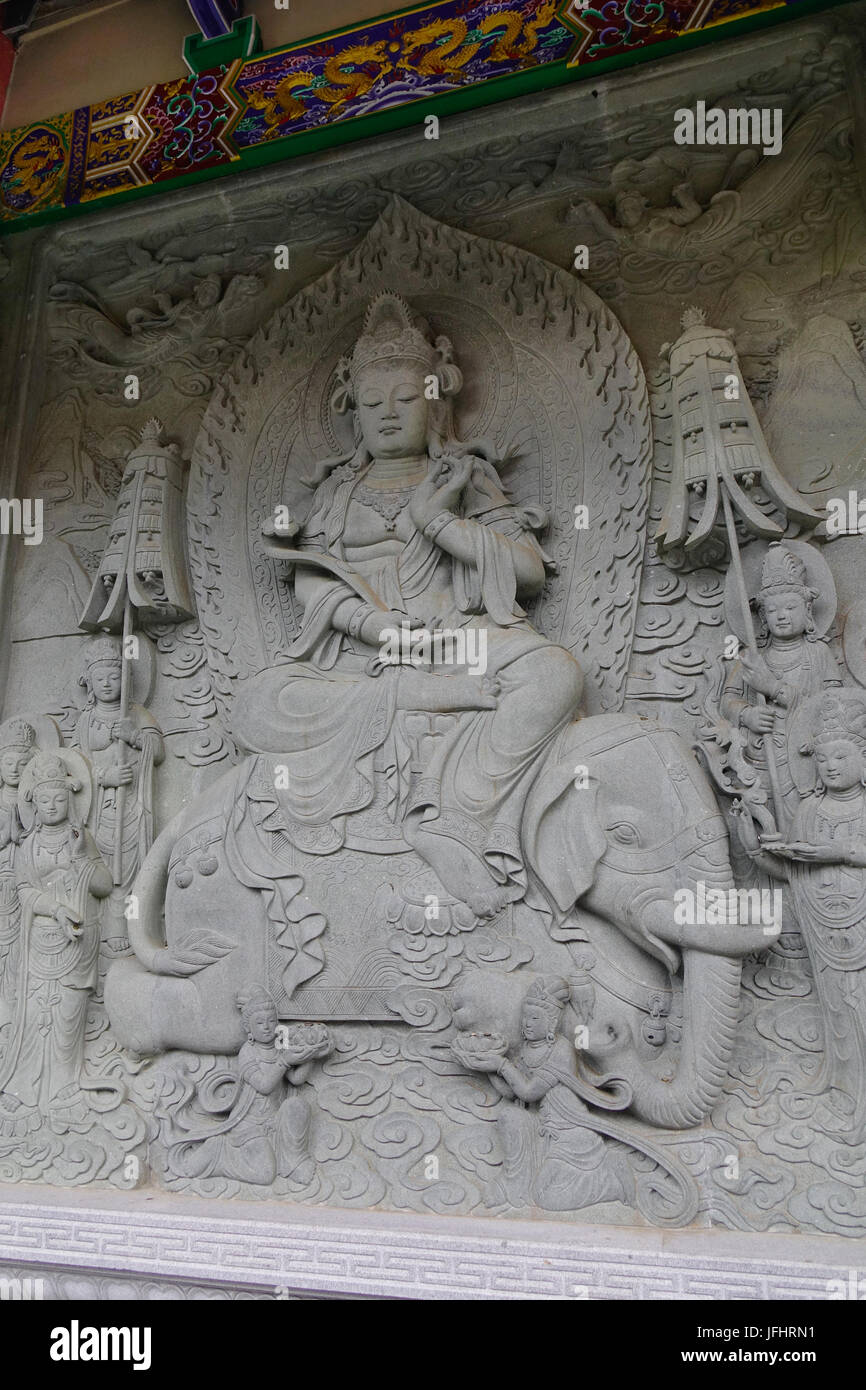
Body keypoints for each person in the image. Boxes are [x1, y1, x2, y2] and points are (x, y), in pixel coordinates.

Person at [235, 291, 583, 921]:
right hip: (360, 658)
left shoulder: (463, 478)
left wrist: (436, 520)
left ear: (435, 403)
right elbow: (312, 579)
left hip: (456, 641)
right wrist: (373, 624)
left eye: (405, 399)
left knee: (554, 670)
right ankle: (410, 710)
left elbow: (527, 570)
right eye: (372, 404)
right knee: (257, 704)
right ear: (354, 414)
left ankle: (459, 817)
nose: (389, 414)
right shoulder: (339, 492)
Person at [0, 753, 111, 1128]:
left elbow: (103, 885)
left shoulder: (83, 839)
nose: (51, 806)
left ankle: (64, 1090)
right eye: (44, 800)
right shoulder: (26, 846)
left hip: (76, 944)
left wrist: (81, 859)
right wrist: (56, 909)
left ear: (72, 800)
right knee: (34, 1018)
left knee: (66, 1020)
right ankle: (25, 1091)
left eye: (59, 799)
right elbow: (24, 890)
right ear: (33, 803)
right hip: (39, 941)